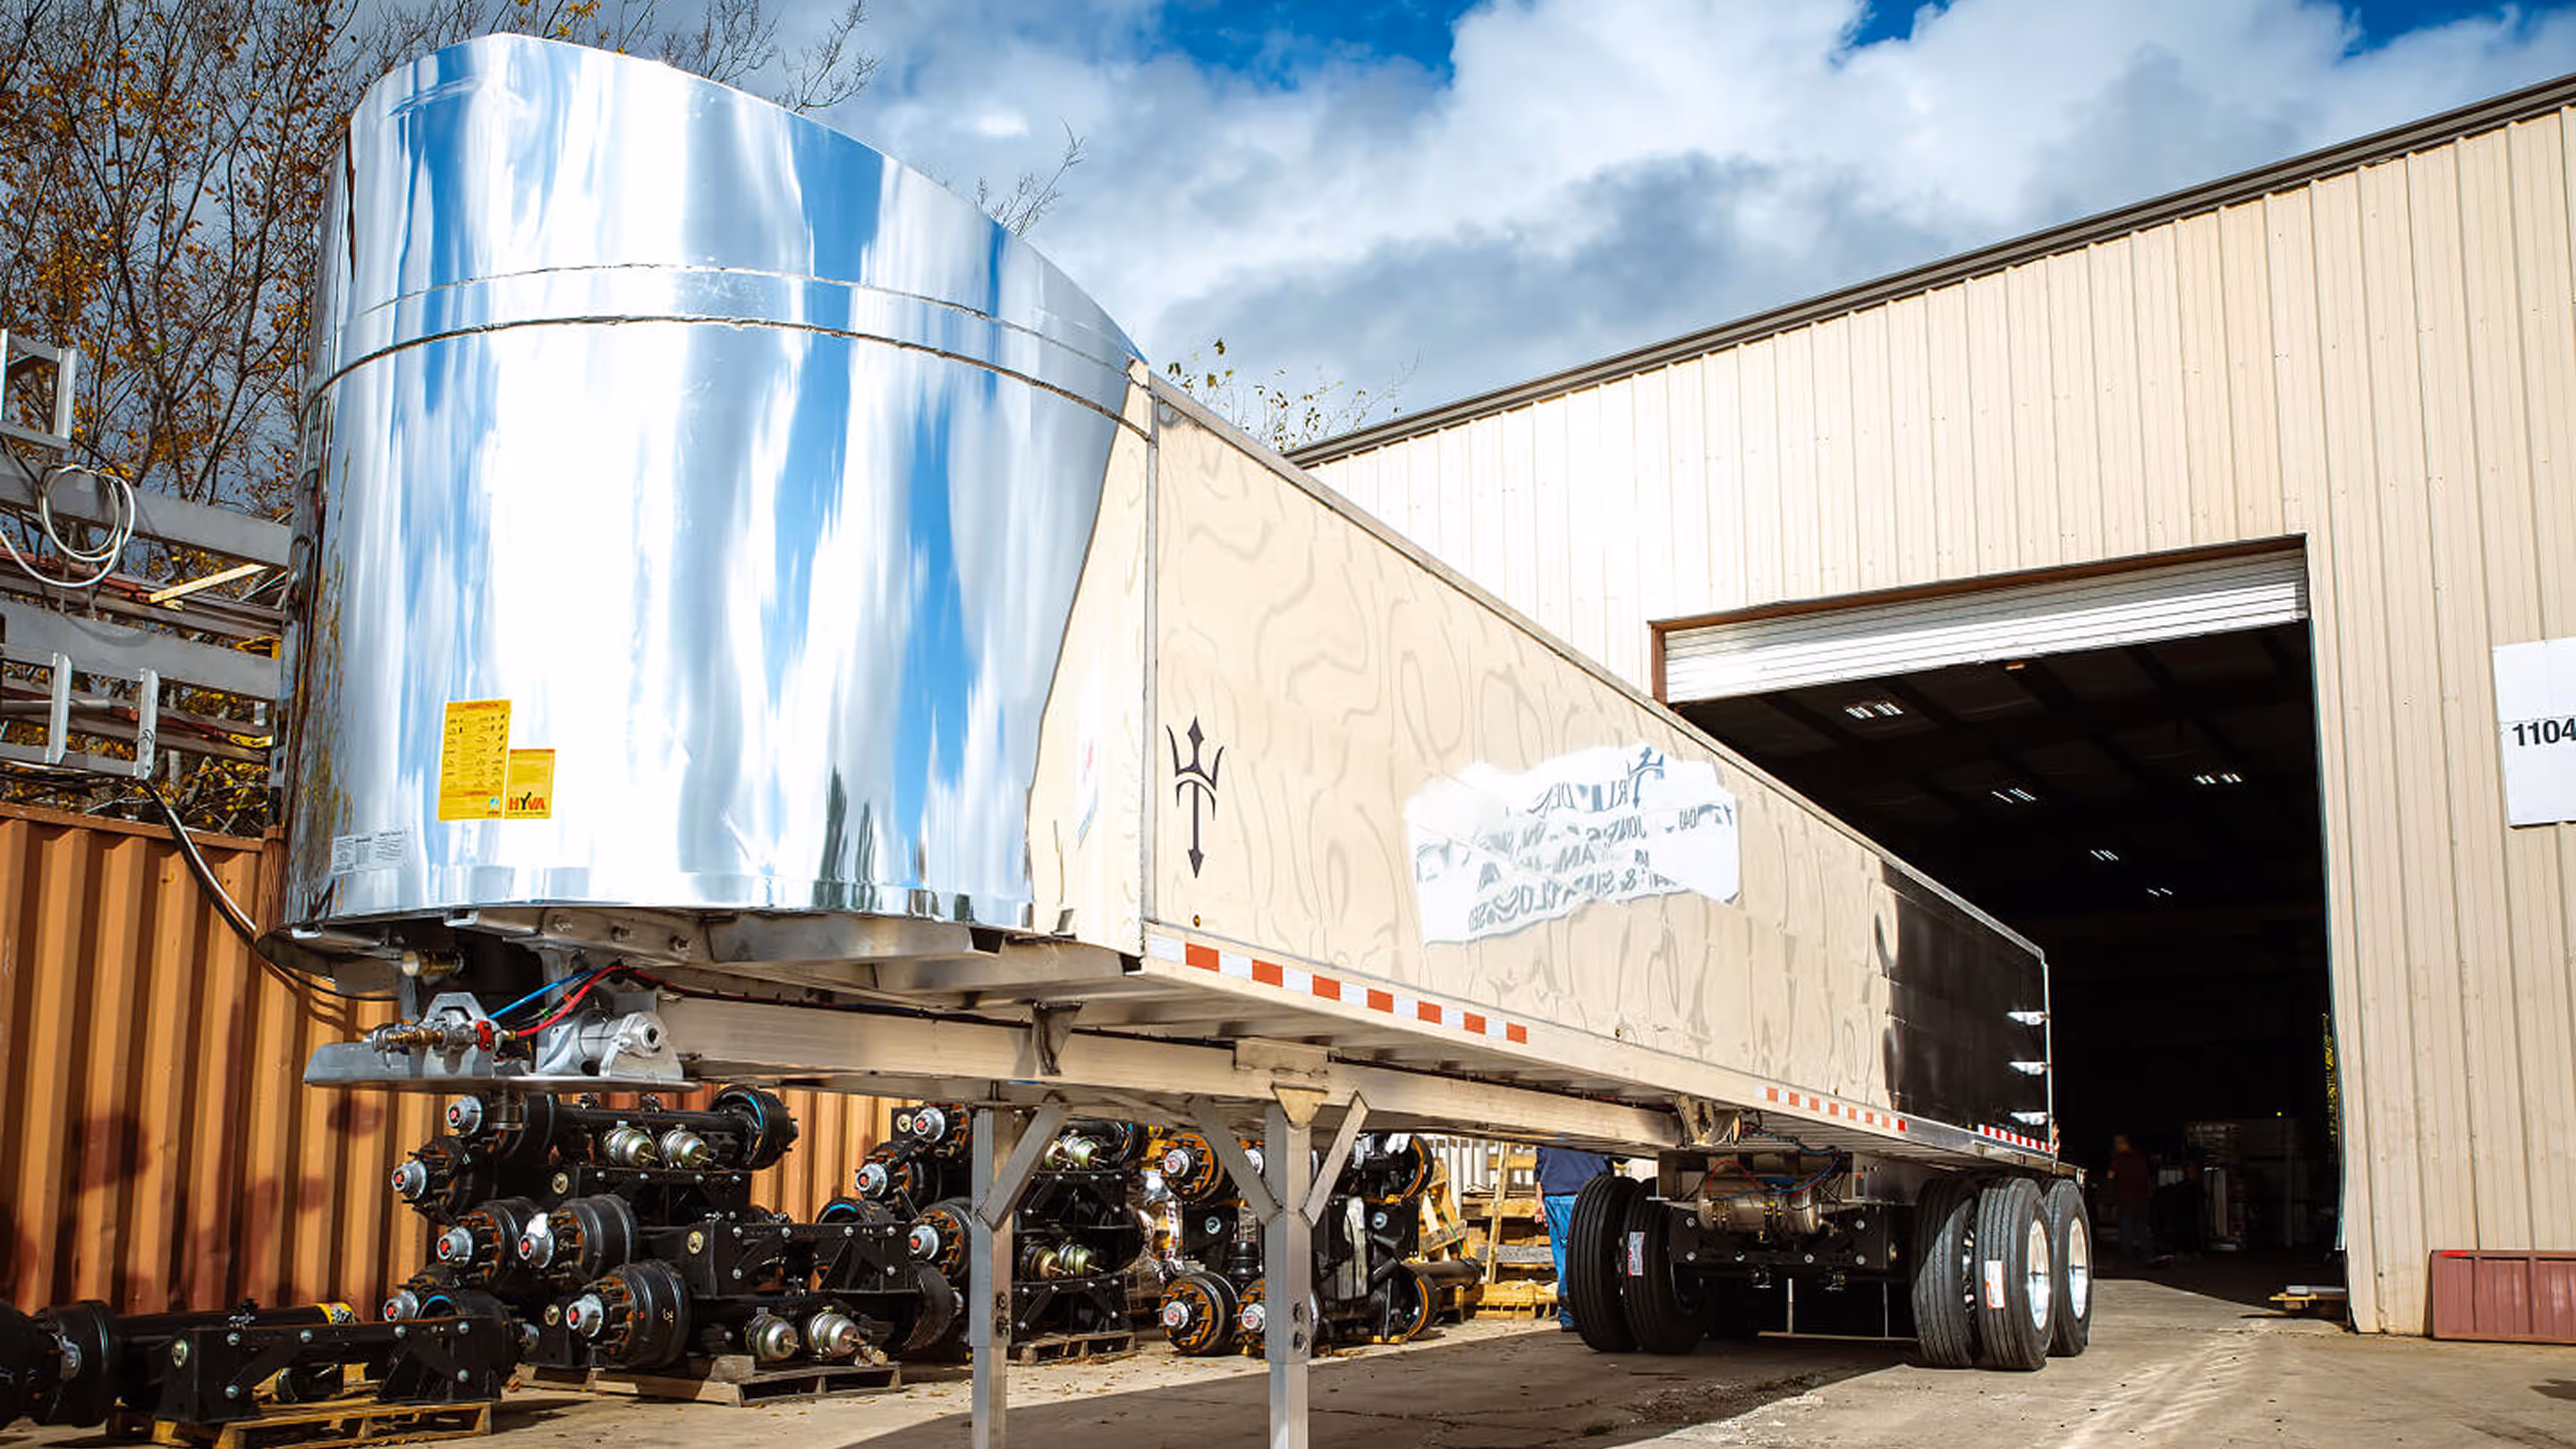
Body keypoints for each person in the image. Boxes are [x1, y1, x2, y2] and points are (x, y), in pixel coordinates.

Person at [1535, 1145, 1610, 1331]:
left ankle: (1569, 1317)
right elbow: (1620, 1155)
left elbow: (1539, 1166)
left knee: (1564, 1261)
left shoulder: (1546, 1126)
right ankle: (1587, 1314)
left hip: (1553, 1197)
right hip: (1586, 1196)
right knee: (1588, 1260)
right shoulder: (1599, 1122)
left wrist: (1539, 1202)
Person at [2108, 1133, 2157, 1264]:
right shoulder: (2140, 1158)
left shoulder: (2119, 1159)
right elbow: (2147, 1178)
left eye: (2117, 1143)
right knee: (2141, 1227)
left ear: (2123, 1143)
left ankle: (2126, 1256)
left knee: (2126, 1228)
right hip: (2141, 1197)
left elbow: (2110, 1175)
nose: (2116, 1146)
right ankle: (2148, 1254)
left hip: (2125, 1197)